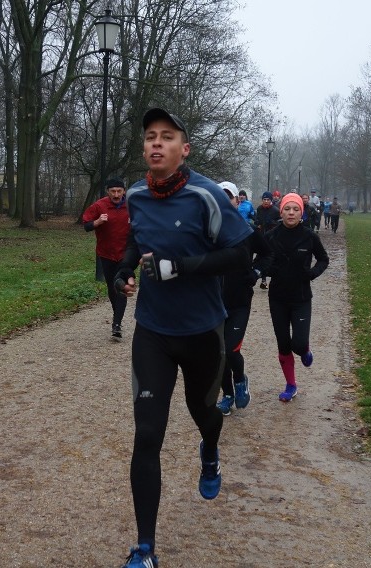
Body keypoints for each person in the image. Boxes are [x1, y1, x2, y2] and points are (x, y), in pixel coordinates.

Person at [114, 108, 253, 568]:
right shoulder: (135, 195)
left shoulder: (205, 195)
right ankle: (146, 549)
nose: (156, 144)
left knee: (204, 413)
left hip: (201, 333)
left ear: (183, 148)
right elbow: (136, 243)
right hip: (152, 332)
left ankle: (210, 449)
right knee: (147, 435)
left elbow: (242, 252)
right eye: (150, 137)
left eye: (167, 137)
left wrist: (183, 268)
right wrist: (123, 271)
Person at [256, 192, 329, 403]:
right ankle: (291, 384)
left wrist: (312, 274)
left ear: (301, 212)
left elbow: (323, 259)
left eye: (295, 209)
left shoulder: (310, 236)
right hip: (277, 298)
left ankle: (305, 350)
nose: (291, 212)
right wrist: (265, 271)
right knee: (283, 344)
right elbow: (262, 260)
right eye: (287, 208)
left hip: (301, 298)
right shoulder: (271, 236)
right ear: (282, 211)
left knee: (298, 343)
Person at [216, 181, 268, 416]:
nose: (224, 200)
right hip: (212, 303)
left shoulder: (247, 230)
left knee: (230, 349)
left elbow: (269, 253)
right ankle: (226, 395)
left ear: (238, 201)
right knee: (216, 353)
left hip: (238, 302)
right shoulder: (206, 231)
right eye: (219, 196)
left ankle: (240, 379)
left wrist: (255, 272)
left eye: (229, 197)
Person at [82, 178, 130, 340]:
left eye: (119, 191)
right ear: (107, 192)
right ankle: (118, 317)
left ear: (124, 191)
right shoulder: (99, 206)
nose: (116, 194)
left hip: (126, 255)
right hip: (106, 254)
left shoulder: (132, 206)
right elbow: (86, 226)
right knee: (112, 287)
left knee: (121, 286)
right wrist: (97, 222)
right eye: (113, 191)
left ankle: (116, 324)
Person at [253, 191, 281, 289]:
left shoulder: (275, 210)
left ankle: (275, 277)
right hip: (261, 237)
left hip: (272, 238)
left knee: (272, 258)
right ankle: (263, 280)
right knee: (261, 257)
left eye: (268, 200)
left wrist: (272, 223)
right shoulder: (259, 209)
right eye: (264, 199)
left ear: (271, 200)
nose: (265, 201)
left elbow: (280, 223)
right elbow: (257, 220)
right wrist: (257, 223)